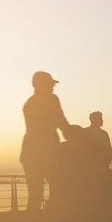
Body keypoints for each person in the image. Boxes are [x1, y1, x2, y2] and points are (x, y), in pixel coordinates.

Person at [20, 71, 69, 212]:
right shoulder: (50, 99)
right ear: (40, 85)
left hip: (32, 153)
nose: (52, 87)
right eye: (49, 84)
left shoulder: (29, 103)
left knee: (37, 194)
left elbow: (58, 121)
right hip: (42, 152)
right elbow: (60, 120)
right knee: (56, 189)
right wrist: (73, 134)